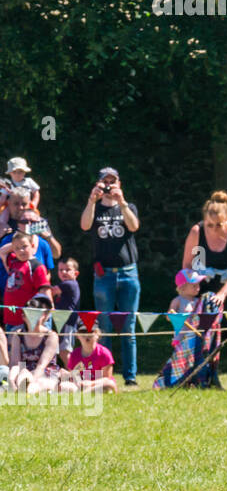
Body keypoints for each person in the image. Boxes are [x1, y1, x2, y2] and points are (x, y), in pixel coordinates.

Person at [182, 191, 227, 390]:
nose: (215, 229)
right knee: (205, 334)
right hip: (206, 284)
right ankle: (205, 378)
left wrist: (223, 294)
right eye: (210, 225)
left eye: (219, 225)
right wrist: (189, 286)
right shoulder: (197, 232)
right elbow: (189, 265)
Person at [78, 167, 141, 386]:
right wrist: (91, 201)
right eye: (105, 182)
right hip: (103, 275)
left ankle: (130, 377)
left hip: (128, 273)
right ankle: (105, 375)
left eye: (112, 182)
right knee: (103, 326)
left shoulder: (128, 207)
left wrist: (121, 202)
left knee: (128, 326)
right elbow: (85, 225)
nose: (108, 186)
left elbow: (134, 226)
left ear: (120, 184)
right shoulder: (95, 209)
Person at [6, 287, 60, 394]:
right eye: (29, 314)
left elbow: (42, 365)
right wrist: (14, 378)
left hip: (44, 373)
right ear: (23, 317)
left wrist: (31, 379)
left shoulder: (51, 336)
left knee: (39, 382)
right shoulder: (18, 335)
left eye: (36, 314)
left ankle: (27, 388)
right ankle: (15, 386)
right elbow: (14, 363)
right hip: (24, 372)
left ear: (43, 316)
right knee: (19, 371)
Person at [66, 325, 118, 393]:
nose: (87, 335)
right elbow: (73, 376)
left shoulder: (104, 353)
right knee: (65, 385)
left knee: (109, 384)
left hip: (98, 384)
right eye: (83, 332)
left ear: (97, 334)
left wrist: (91, 383)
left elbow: (107, 377)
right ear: (77, 335)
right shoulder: (74, 355)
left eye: (90, 332)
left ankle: (85, 392)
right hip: (80, 385)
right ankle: (86, 392)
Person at [52, 257, 81, 362]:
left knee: (65, 351)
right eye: (60, 270)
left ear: (76, 273)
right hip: (62, 322)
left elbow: (51, 292)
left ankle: (75, 375)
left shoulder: (69, 284)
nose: (63, 272)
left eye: (67, 270)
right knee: (61, 350)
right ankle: (71, 374)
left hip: (67, 322)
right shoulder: (66, 285)